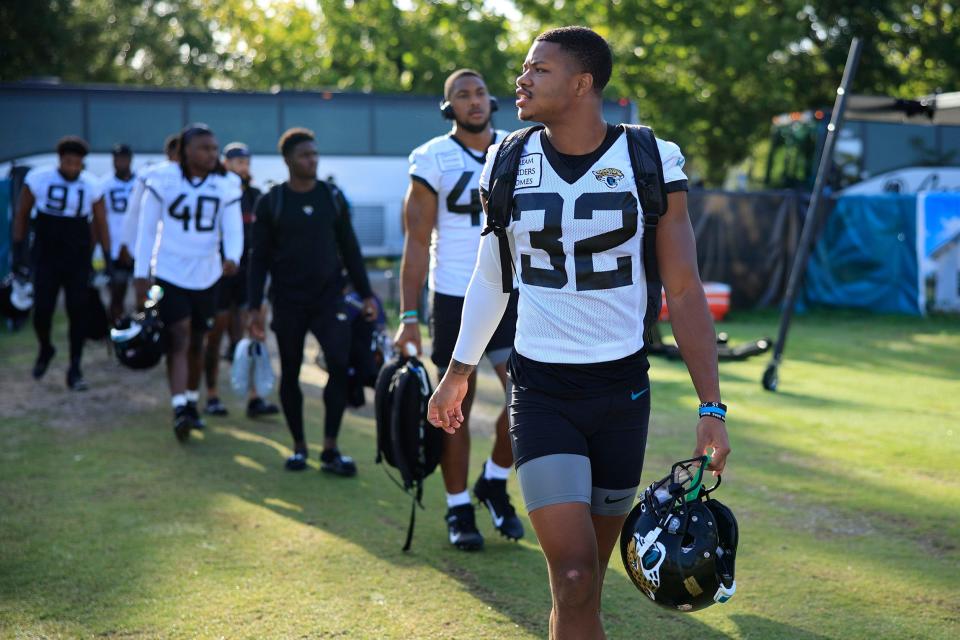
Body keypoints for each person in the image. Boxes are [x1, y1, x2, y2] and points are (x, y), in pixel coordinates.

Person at [427, 27, 732, 638]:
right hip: (541, 392)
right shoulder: (508, 156)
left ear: (582, 82)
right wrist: (458, 372)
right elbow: (493, 279)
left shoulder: (649, 157)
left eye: (538, 69)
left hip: (622, 392)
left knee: (589, 574)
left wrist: (711, 407)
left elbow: (685, 289)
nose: (522, 80)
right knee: (569, 574)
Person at [394, 69, 523, 551]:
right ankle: (457, 508)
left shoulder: (517, 146)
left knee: (528, 399)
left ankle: (492, 480)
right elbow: (415, 243)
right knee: (456, 410)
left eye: (480, 93)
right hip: (454, 296)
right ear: (449, 107)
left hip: (514, 294)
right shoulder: (432, 158)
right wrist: (408, 318)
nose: (474, 101)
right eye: (462, 95)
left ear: (492, 101)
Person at [248, 127, 376, 475]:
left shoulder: (331, 197)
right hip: (288, 301)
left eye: (315, 154)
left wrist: (366, 295)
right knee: (289, 371)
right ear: (288, 160)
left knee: (338, 365)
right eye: (305, 155)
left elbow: (350, 249)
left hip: (329, 299)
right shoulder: (271, 201)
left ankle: (331, 449)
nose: (312, 160)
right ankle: (300, 448)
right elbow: (258, 258)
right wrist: (253, 306)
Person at [133, 124, 243, 442]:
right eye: (204, 148)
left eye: (214, 148)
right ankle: (179, 406)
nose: (212, 154)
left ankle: (191, 400)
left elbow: (233, 227)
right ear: (185, 151)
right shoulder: (162, 179)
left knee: (199, 339)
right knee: (177, 336)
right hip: (168, 270)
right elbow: (146, 230)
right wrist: (142, 275)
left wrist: (233, 256)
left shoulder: (227, 184)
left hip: (207, 273)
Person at [11, 136, 110, 390]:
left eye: (77, 163)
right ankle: (46, 347)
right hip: (46, 253)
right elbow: (22, 213)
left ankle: (75, 368)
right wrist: (18, 249)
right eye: (68, 162)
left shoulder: (91, 184)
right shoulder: (38, 179)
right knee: (42, 311)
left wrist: (104, 255)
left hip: (77, 256)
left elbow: (100, 221)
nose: (72, 168)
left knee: (78, 313)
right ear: (60, 160)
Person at [203, 141, 279, 418]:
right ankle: (211, 394)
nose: (242, 167)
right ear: (226, 164)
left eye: (246, 162)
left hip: (250, 275)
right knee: (216, 334)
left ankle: (254, 397)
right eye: (237, 162)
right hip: (220, 275)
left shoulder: (257, 197)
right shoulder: (216, 192)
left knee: (254, 335)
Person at [118, 133, 180, 262]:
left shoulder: (196, 176)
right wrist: (125, 241)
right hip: (159, 240)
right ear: (169, 153)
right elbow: (133, 211)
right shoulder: (152, 174)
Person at [100, 144, 137, 322]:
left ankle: (143, 332)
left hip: (139, 248)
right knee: (116, 294)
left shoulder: (141, 183)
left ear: (130, 160)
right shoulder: (104, 184)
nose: (120, 162)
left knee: (145, 296)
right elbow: (99, 218)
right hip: (115, 247)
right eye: (117, 159)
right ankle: (117, 331)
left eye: (124, 158)